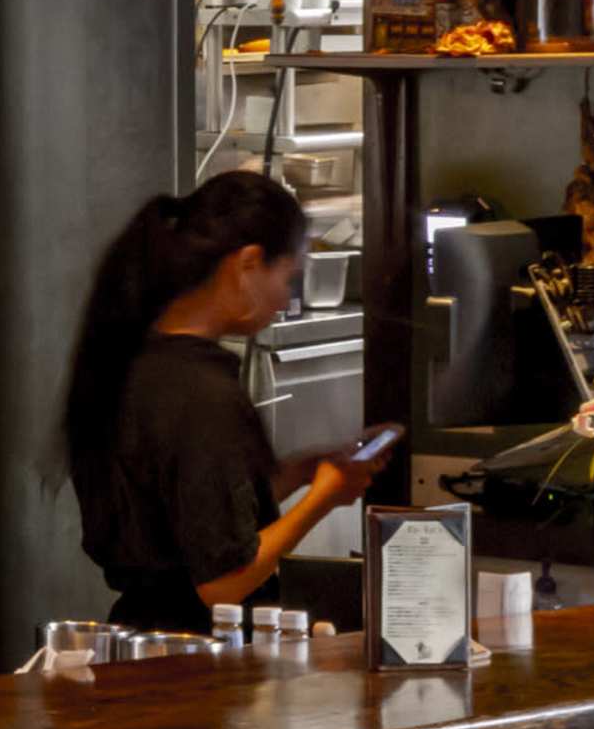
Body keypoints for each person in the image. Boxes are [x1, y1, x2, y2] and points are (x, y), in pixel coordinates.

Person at [61, 173, 381, 632]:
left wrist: (302, 473)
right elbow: (223, 581)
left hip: (145, 635)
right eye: (287, 278)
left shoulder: (141, 361)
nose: (284, 300)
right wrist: (323, 498)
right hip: (197, 649)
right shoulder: (200, 393)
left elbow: (197, 516)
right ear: (247, 265)